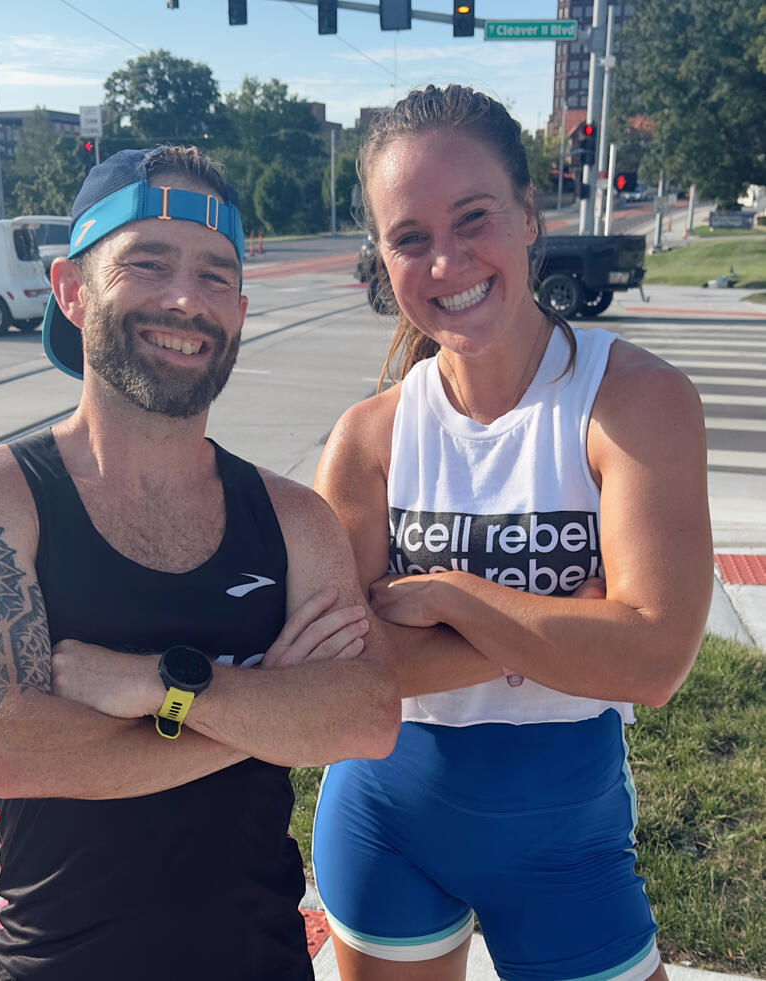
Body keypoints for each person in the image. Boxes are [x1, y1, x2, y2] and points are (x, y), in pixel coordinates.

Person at [0, 144, 404, 981]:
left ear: (240, 312)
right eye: (147, 263)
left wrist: (159, 685)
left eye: (216, 276)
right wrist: (268, 707)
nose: (186, 298)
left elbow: (366, 716)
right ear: (71, 290)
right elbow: (18, 753)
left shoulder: (293, 518)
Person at [310, 85, 713, 981]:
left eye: (473, 217)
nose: (446, 260)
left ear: (530, 214)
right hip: (383, 826)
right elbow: (343, 670)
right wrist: (564, 628)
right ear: (382, 258)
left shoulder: (633, 402)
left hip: (567, 844)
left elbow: (651, 662)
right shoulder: (368, 437)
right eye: (409, 237)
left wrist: (451, 596)